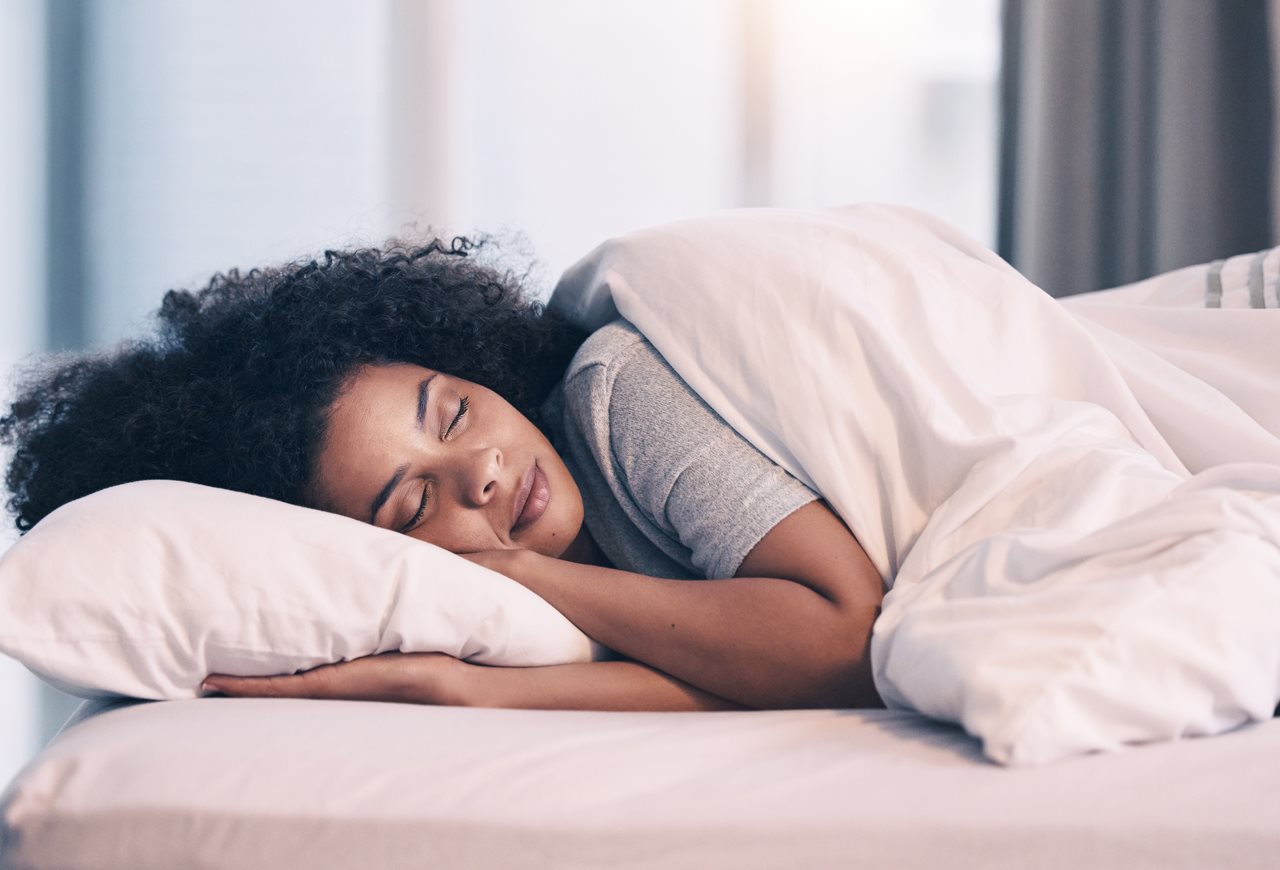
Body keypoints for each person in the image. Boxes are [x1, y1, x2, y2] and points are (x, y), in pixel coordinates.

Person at [1, 238, 885, 711]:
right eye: (416, 501)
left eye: (451, 411)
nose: (484, 471)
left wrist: (529, 570)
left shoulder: (618, 397)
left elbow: (841, 648)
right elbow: (747, 681)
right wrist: (461, 686)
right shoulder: (528, 616)